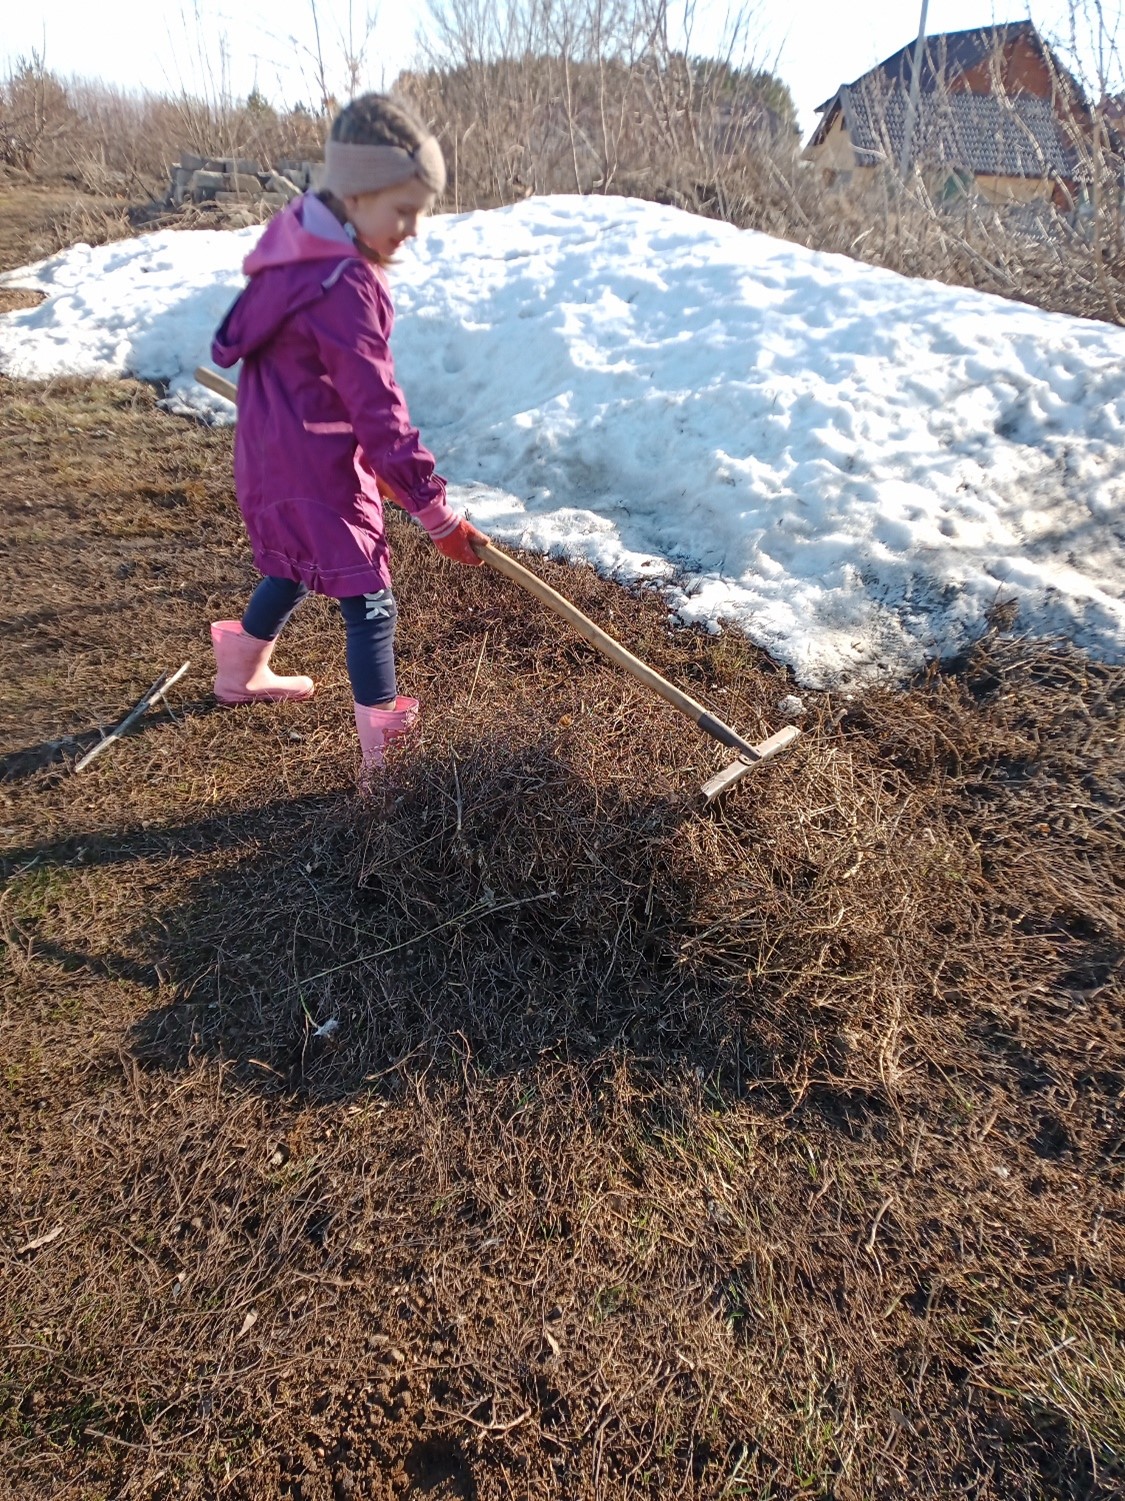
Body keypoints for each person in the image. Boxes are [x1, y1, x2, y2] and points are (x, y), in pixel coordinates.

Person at [209, 93, 486, 773]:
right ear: (358, 195)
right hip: (317, 463)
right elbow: (377, 408)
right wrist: (432, 507)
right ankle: (385, 770)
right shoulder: (345, 284)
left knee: (290, 563)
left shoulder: (293, 247)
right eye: (403, 211)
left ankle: (241, 674)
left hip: (271, 453)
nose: (411, 230)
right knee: (369, 598)